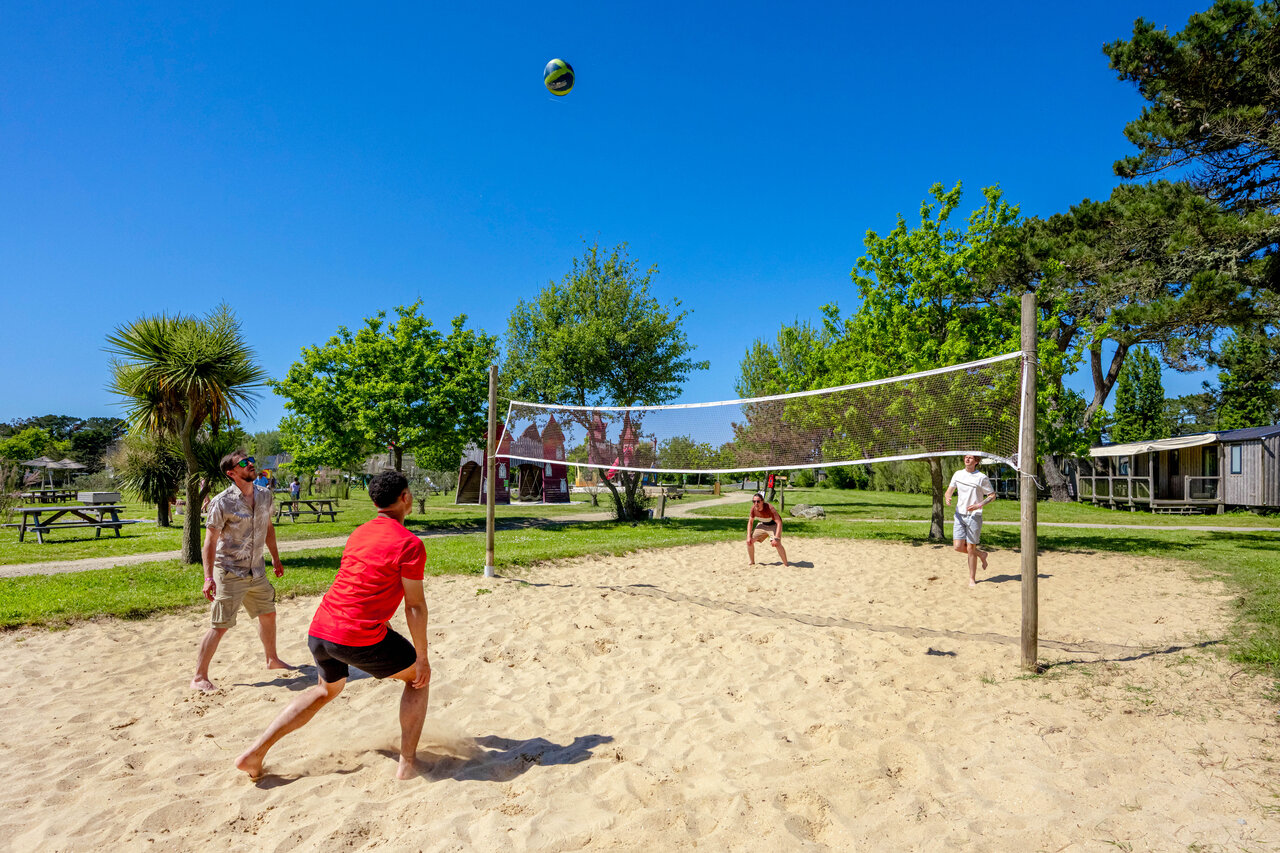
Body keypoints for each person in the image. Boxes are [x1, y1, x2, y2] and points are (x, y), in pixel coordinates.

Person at [235, 470, 430, 781]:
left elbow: (361, 586)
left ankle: (255, 752)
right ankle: (407, 764)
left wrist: (385, 625)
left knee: (325, 690)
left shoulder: (359, 533)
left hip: (321, 629)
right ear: (405, 498)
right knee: (417, 679)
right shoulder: (410, 544)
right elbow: (415, 606)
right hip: (353, 636)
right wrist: (422, 658)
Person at [190, 452, 292, 693]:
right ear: (232, 473)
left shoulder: (265, 495)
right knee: (220, 624)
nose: (251, 465)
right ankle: (198, 677)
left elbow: (269, 529)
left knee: (268, 613)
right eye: (244, 463)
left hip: (257, 570)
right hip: (229, 571)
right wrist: (208, 577)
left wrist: (276, 559)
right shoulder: (221, 502)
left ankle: (272, 660)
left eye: (251, 460)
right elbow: (210, 542)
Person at [944, 454, 996, 587]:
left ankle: (972, 579)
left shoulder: (981, 477)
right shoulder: (958, 474)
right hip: (959, 515)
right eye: (966, 457)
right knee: (957, 546)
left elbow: (992, 496)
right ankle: (982, 554)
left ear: (976, 461)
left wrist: (978, 505)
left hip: (974, 516)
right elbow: (949, 491)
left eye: (970, 458)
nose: (967, 459)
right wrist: (948, 497)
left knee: (971, 548)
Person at [747, 491, 788, 566]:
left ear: (762, 501)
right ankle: (752, 561)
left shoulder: (769, 508)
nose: (756, 503)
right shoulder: (753, 509)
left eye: (758, 501)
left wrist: (776, 538)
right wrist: (748, 536)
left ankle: (786, 564)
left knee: (777, 543)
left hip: (773, 525)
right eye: (754, 501)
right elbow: (750, 522)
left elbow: (779, 522)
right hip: (762, 524)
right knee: (749, 542)